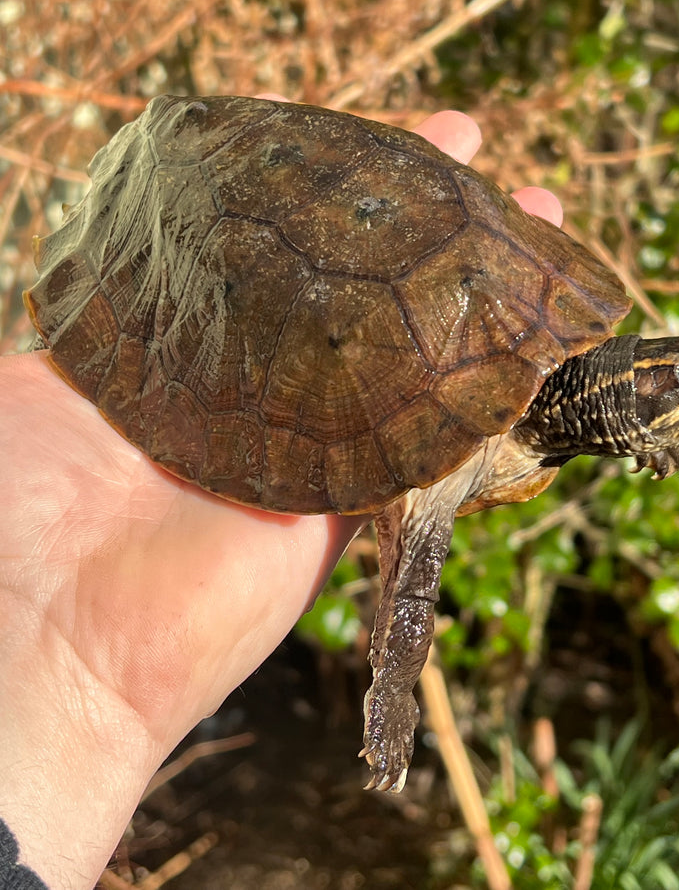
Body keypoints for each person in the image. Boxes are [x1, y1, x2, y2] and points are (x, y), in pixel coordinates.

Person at [0, 108, 562, 890]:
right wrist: (393, 691)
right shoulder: (457, 442)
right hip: (198, 189)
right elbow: (414, 575)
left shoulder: (536, 389)